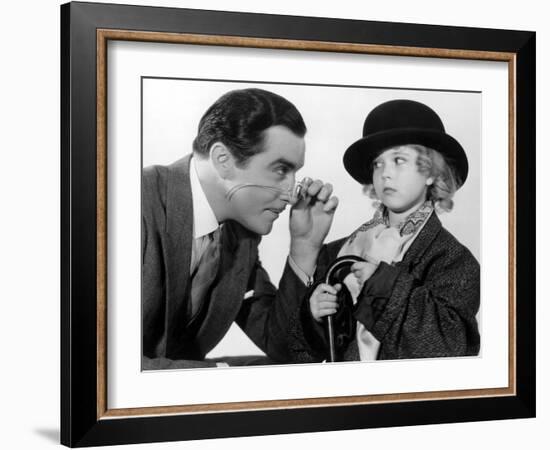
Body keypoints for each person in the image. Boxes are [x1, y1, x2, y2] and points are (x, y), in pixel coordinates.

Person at [142, 88, 338, 369]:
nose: (292, 193)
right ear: (223, 160)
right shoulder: (129, 201)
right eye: (281, 170)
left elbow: (285, 348)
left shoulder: (241, 235)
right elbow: (97, 363)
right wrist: (220, 377)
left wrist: (304, 246)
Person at [290, 99, 480, 362]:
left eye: (399, 160)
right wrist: (315, 315)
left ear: (431, 173)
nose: (385, 174)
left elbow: (449, 347)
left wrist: (383, 285)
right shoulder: (338, 253)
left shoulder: (453, 260)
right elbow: (301, 350)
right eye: (378, 164)